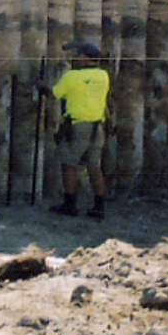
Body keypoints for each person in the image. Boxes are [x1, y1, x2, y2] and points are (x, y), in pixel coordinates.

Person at [43, 40, 111, 219]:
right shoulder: (103, 76)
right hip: (97, 128)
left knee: (69, 164)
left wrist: (42, 86)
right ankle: (99, 207)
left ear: (84, 58)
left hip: (77, 127)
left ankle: (70, 204)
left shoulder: (71, 77)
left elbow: (55, 94)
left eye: (78, 55)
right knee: (94, 167)